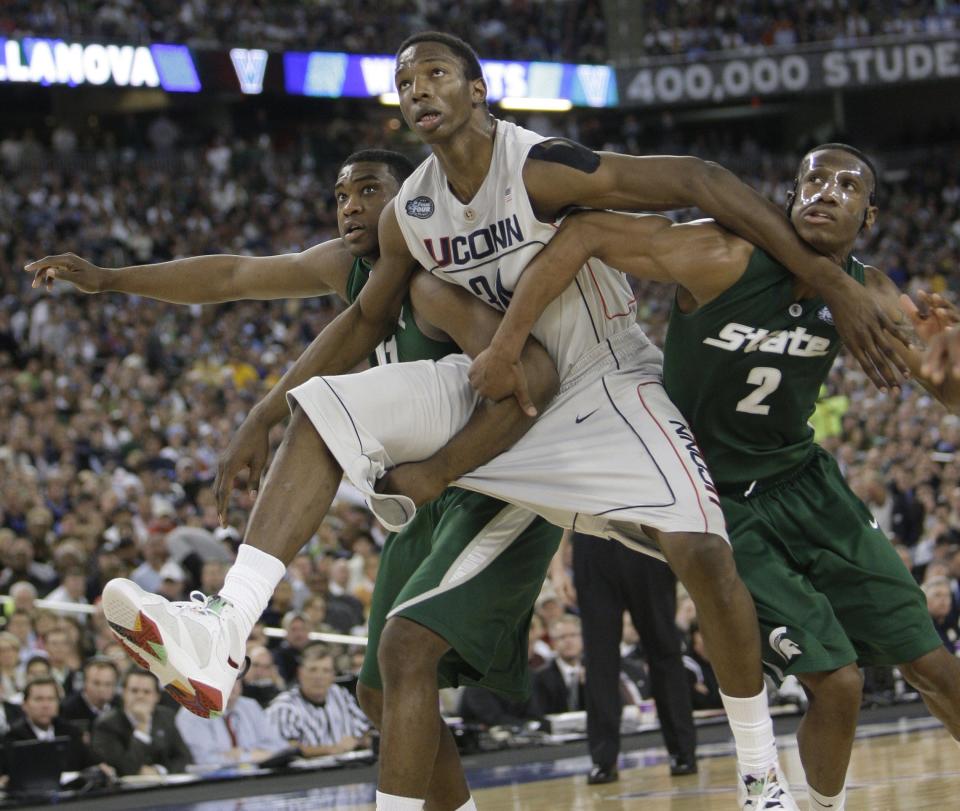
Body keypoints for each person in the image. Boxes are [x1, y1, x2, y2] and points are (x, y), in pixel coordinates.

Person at [80, 31, 920, 811]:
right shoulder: (410, 210)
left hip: (603, 380)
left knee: (703, 549)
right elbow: (366, 317)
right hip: (495, 388)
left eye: (436, 72)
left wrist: (837, 283)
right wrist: (264, 411)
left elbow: (700, 179)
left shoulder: (540, 167)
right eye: (404, 80)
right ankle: (224, 629)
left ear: (479, 91)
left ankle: (759, 772)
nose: (419, 88)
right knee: (321, 408)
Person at [30, 148, 562, 811]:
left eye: (370, 191)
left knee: (406, 656)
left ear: (414, 201)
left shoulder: (440, 272)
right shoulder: (354, 270)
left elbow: (526, 379)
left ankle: (226, 630)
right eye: (341, 195)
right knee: (377, 692)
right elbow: (234, 274)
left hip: (491, 478)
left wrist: (275, 412)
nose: (351, 207)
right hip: (419, 493)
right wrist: (111, 280)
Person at [469, 142, 960, 811]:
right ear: (788, 195)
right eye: (812, 177)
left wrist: (949, 371)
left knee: (937, 669)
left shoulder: (871, 291)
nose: (825, 191)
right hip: (718, 498)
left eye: (847, 185)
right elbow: (585, 231)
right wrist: (505, 342)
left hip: (806, 483)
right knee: (838, 681)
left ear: (868, 217)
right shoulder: (723, 255)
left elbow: (944, 391)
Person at [557, 531, 697, 783]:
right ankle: (603, 759)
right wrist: (557, 568)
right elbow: (560, 506)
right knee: (599, 658)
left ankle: (682, 751)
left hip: (641, 534)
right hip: (592, 540)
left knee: (664, 647)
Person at [265, 644, 371, 757]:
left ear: (333, 676)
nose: (318, 677)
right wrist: (331, 750)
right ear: (300, 673)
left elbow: (366, 732)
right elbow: (285, 749)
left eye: (326, 671)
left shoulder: (340, 695)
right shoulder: (283, 707)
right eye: (312, 670)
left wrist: (358, 742)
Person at [2, 676, 112, 776]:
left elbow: (93, 762)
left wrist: (102, 769)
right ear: (24, 705)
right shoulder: (13, 739)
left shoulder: (71, 733)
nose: (45, 705)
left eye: (51, 699)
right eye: (39, 699)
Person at [91, 668, 192, 776]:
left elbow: (184, 758)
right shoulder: (107, 725)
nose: (140, 696)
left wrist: (159, 771)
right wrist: (142, 726)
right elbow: (125, 769)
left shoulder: (166, 716)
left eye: (146, 692)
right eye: (134, 691)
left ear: (157, 697)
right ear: (123, 693)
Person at [176, 679, 287, 767]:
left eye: (236, 679)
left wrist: (242, 753)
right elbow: (204, 760)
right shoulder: (192, 713)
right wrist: (251, 756)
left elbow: (279, 746)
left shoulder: (250, 706)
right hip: (214, 785)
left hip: (256, 779)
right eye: (225, 679)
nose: (231, 685)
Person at [60, 657, 119, 737]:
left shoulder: (121, 706)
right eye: (96, 683)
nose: (102, 689)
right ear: (85, 683)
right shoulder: (67, 709)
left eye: (108, 684)